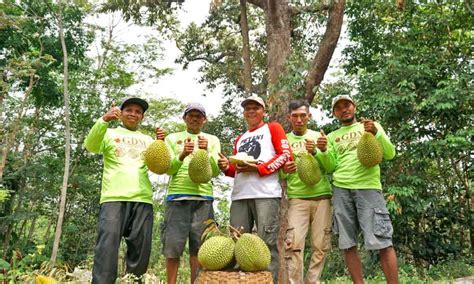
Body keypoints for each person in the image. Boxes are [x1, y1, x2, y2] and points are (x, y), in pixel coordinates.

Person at [85, 97, 163, 284]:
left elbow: (160, 167)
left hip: (142, 199)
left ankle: (134, 281)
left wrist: (161, 144)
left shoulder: (148, 140)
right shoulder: (109, 133)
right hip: (114, 197)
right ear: (120, 113)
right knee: (107, 249)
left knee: (141, 251)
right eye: (129, 110)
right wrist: (103, 120)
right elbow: (91, 145)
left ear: (142, 117)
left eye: (138, 112)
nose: (133, 114)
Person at [217, 95, 292, 282]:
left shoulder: (272, 128)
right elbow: (236, 170)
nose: (251, 111)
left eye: (255, 108)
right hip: (240, 195)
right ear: (244, 113)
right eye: (247, 108)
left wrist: (259, 168)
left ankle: (269, 280)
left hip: (266, 194)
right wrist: (226, 166)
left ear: (263, 111)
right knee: (236, 243)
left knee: (267, 243)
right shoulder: (240, 138)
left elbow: (285, 155)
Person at [327, 94, 398, 284]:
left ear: (354, 107)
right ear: (335, 113)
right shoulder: (332, 136)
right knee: (347, 243)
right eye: (339, 107)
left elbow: (390, 153)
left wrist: (376, 133)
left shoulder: (371, 127)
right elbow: (330, 166)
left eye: (347, 105)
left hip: (368, 188)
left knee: (383, 241)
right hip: (341, 189)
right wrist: (321, 151)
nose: (344, 109)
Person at [162, 102, 221, 284]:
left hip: (203, 199)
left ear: (204, 120)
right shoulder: (172, 138)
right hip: (177, 197)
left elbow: (216, 171)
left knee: (200, 248)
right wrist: (181, 155)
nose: (194, 118)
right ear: (184, 118)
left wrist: (206, 152)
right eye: (191, 115)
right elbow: (168, 169)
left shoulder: (212, 140)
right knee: (172, 247)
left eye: (198, 116)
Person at [281, 99, 333, 283]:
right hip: (297, 199)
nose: (299, 120)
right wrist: (284, 171)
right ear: (289, 117)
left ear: (309, 116)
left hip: (322, 198)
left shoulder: (319, 137)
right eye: (295, 116)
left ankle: (313, 281)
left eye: (303, 115)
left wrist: (320, 151)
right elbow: (281, 173)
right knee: (293, 245)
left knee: (321, 246)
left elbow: (331, 166)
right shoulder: (284, 141)